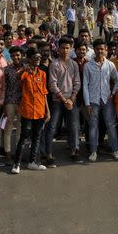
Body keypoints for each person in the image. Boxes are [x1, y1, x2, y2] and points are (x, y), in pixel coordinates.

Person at [12, 47, 51, 173]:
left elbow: (44, 93)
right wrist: (24, 68)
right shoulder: (24, 73)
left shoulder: (42, 74)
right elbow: (17, 78)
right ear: (29, 59)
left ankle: (32, 162)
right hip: (27, 110)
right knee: (24, 137)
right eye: (35, 58)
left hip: (40, 110)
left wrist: (47, 110)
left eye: (39, 58)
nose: (38, 60)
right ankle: (16, 164)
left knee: (37, 137)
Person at [83, 39, 118, 161]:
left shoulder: (110, 65)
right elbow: (85, 85)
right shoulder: (88, 66)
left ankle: (115, 150)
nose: (100, 51)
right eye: (98, 49)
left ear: (106, 50)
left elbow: (117, 80)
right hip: (93, 101)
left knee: (111, 125)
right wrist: (87, 103)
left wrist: (113, 93)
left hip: (106, 99)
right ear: (94, 49)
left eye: (102, 49)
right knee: (93, 126)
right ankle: (93, 151)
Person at [46, 36, 82, 164]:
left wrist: (71, 98)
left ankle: (74, 151)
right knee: (52, 127)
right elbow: (52, 84)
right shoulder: (54, 64)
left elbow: (77, 83)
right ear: (58, 48)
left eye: (67, 48)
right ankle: (48, 153)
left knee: (73, 126)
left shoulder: (74, 64)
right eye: (62, 48)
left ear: (71, 48)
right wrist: (63, 99)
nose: (65, 50)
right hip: (57, 101)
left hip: (71, 100)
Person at [2, 46, 25, 165]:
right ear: (10, 56)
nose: (16, 57)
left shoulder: (26, 69)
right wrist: (3, 104)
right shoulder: (6, 70)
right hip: (10, 101)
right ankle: (7, 153)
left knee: (21, 128)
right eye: (13, 55)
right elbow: (4, 87)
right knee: (8, 127)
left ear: (22, 55)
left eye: (18, 55)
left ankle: (18, 152)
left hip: (23, 101)